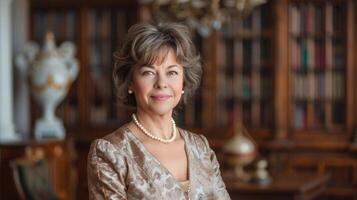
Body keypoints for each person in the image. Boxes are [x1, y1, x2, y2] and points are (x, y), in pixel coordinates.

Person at [87, 22, 230, 200]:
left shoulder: (200, 147)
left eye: (172, 72)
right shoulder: (111, 152)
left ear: (183, 82)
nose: (162, 83)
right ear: (130, 82)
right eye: (148, 72)